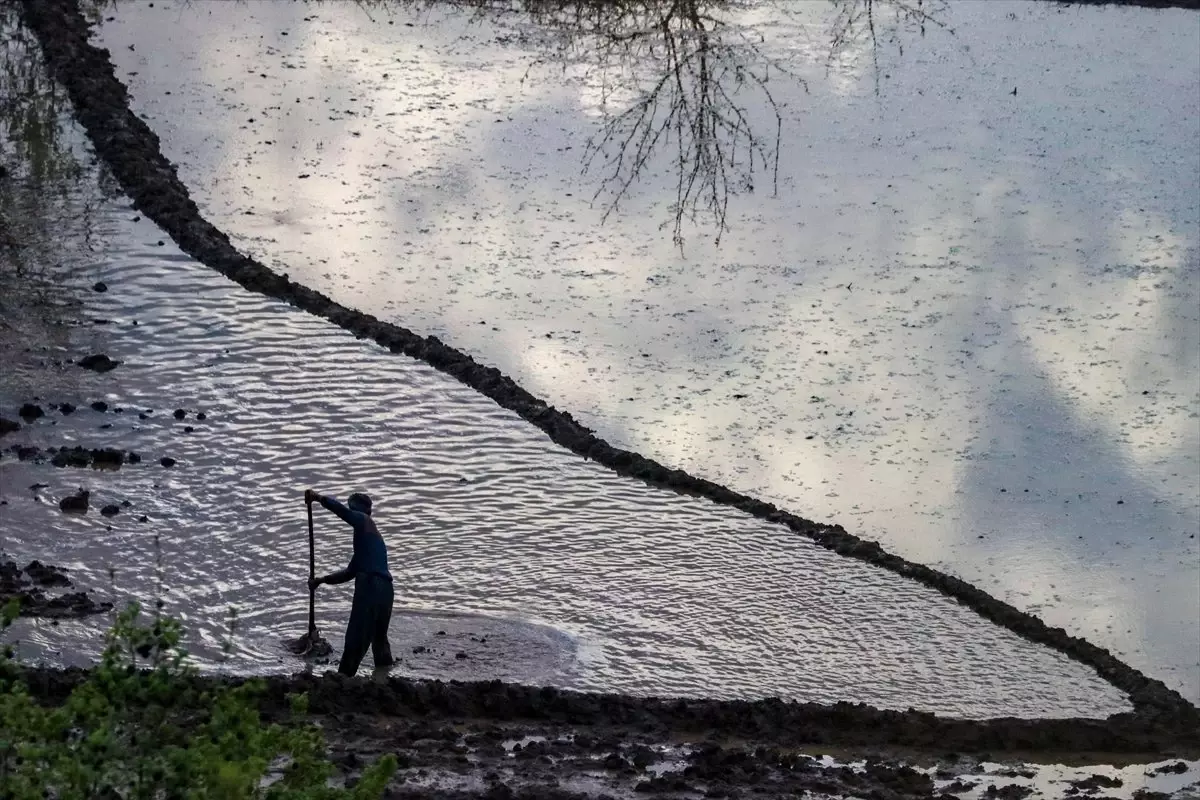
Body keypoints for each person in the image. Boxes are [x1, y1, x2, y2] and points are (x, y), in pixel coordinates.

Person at [304, 489, 394, 676]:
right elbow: (349, 572)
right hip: (386, 589)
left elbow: (343, 512)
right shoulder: (370, 539)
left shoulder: (363, 521)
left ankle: (343, 678)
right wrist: (321, 581)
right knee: (379, 639)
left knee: (356, 639)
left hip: (370, 586)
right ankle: (385, 677)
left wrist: (319, 498)